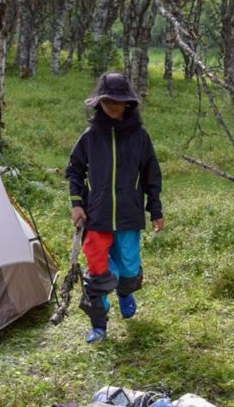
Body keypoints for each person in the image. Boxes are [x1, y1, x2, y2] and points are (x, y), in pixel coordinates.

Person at [66, 71, 164, 343]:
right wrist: (77, 205)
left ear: (128, 104)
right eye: (107, 100)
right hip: (95, 215)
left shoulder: (140, 137)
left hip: (129, 215)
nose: (112, 106)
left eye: (118, 101)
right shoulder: (90, 137)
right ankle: (99, 325)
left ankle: (124, 291)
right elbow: (74, 170)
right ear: (99, 103)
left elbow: (151, 176)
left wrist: (155, 210)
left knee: (128, 267)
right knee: (98, 270)